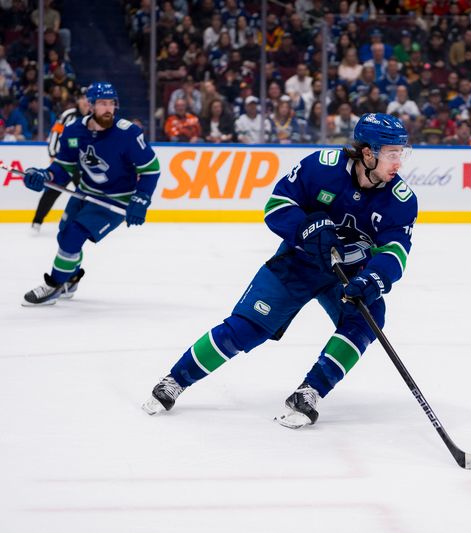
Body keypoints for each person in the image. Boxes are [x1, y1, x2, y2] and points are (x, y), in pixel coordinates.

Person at [142, 113, 418, 430]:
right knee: (246, 329)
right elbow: (276, 206)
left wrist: (374, 278)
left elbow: (396, 250)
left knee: (367, 320)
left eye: (401, 152)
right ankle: (175, 380)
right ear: (368, 152)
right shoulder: (322, 167)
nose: (398, 162)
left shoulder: (401, 200)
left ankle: (310, 391)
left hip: (350, 273)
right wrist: (304, 228)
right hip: (299, 263)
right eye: (392, 153)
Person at [20, 82, 160, 306]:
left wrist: (141, 198)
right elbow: (64, 168)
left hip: (116, 199)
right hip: (85, 192)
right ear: (91, 105)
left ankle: (54, 285)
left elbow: (151, 169)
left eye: (111, 104)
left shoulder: (128, 133)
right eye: (102, 103)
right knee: (64, 235)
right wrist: (44, 176)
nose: (108, 109)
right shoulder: (74, 130)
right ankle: (71, 279)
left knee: (74, 235)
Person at [31, 88, 90, 232]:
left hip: (82, 166)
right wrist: (52, 154)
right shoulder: (68, 115)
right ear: (78, 100)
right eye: (83, 98)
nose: (86, 102)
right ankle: (37, 222)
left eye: (89, 99)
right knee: (51, 192)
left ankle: (82, 223)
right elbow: (55, 134)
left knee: (85, 194)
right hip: (64, 163)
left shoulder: (94, 118)